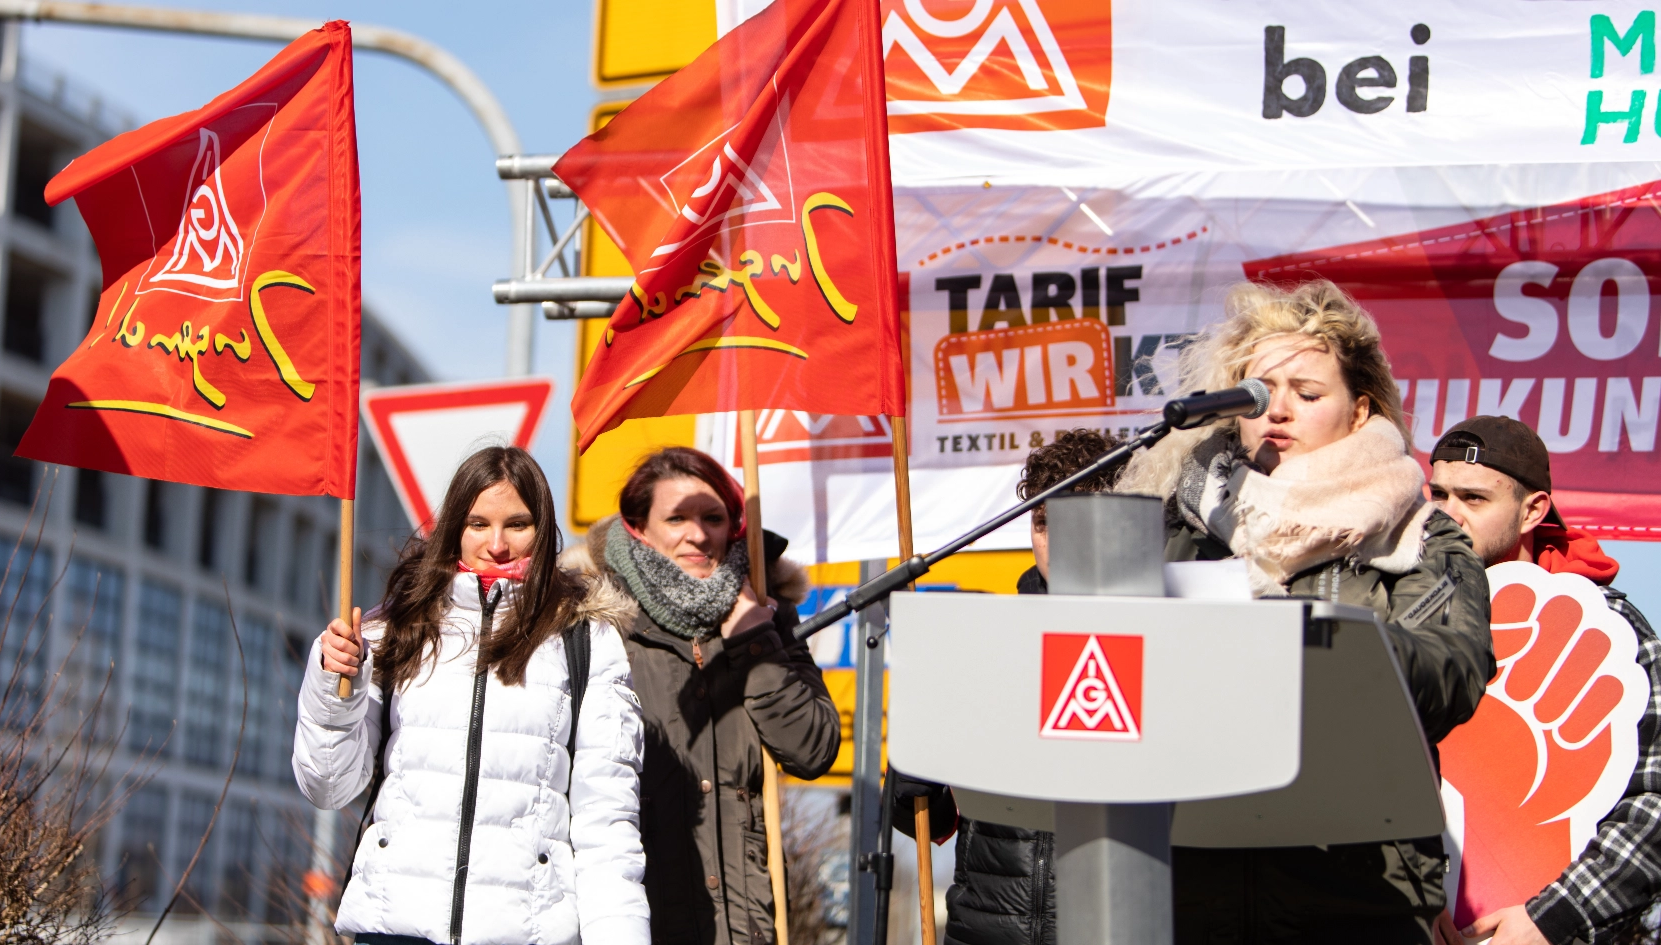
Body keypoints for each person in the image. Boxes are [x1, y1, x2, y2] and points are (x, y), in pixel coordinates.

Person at [1114, 279, 1496, 943]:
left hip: (1357, 892)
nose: (1278, 411)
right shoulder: (1175, 525)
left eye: (1308, 394)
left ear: (1360, 410)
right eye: (1259, 392)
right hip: (1190, 884)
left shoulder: (1419, 534)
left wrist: (1329, 649)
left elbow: (1455, 672)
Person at [292, 446, 648, 945]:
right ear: (454, 527)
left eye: (517, 524)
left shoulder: (584, 637)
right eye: (478, 523)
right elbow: (328, 787)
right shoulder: (396, 629)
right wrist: (333, 687)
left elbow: (606, 821)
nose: (496, 544)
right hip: (395, 927)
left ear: (543, 529)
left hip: (528, 933)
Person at [560, 447, 840, 945]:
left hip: (741, 924)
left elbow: (812, 749)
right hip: (629, 921)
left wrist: (754, 640)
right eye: (677, 518)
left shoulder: (767, 615)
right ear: (639, 528)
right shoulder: (594, 622)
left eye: (713, 518)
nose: (698, 534)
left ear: (733, 527)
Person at [1429, 416, 1661, 945]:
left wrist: (1552, 917)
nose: (1448, 515)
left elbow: (1655, 801)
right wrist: (1411, 891)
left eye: (1474, 498)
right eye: (1438, 494)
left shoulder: (1608, 630)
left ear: (1532, 510)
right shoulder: (1395, 611)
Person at [890, 429, 1124, 945]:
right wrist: (911, 778)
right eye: (1043, 522)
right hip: (982, 929)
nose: (1055, 539)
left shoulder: (1157, 640)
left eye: (1074, 519)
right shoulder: (984, 641)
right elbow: (933, 821)